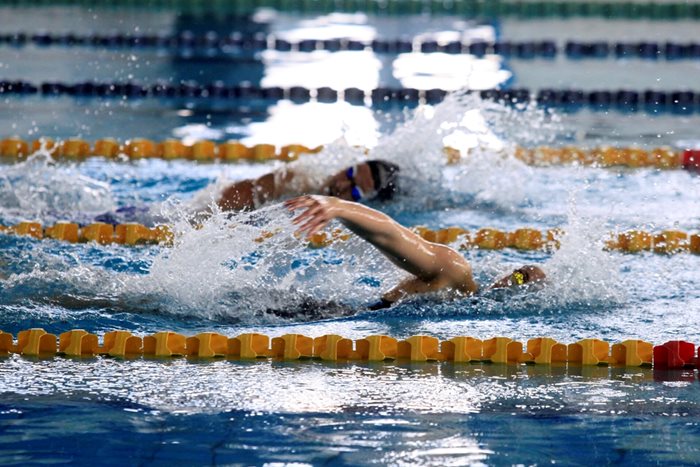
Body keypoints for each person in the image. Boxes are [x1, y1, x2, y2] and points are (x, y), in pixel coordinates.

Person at [285, 195, 546, 309]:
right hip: (324, 313)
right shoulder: (457, 272)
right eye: (520, 275)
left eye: (523, 283)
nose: (514, 283)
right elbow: (391, 234)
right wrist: (338, 207)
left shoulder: (463, 301)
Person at [217, 159, 400, 212]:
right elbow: (238, 193)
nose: (341, 184)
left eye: (355, 191)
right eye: (350, 173)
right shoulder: (296, 181)